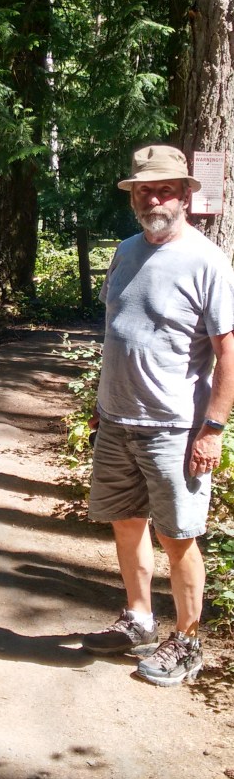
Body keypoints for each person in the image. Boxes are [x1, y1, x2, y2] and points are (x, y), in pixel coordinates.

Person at [82, 144, 234, 686]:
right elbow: (118, 335)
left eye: (165, 188)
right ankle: (139, 620)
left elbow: (227, 351)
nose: (154, 197)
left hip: (175, 427)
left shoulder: (207, 261)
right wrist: (103, 405)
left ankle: (188, 641)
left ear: (186, 195)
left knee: (179, 536)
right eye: (144, 189)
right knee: (127, 524)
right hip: (118, 420)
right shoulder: (126, 252)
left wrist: (212, 427)